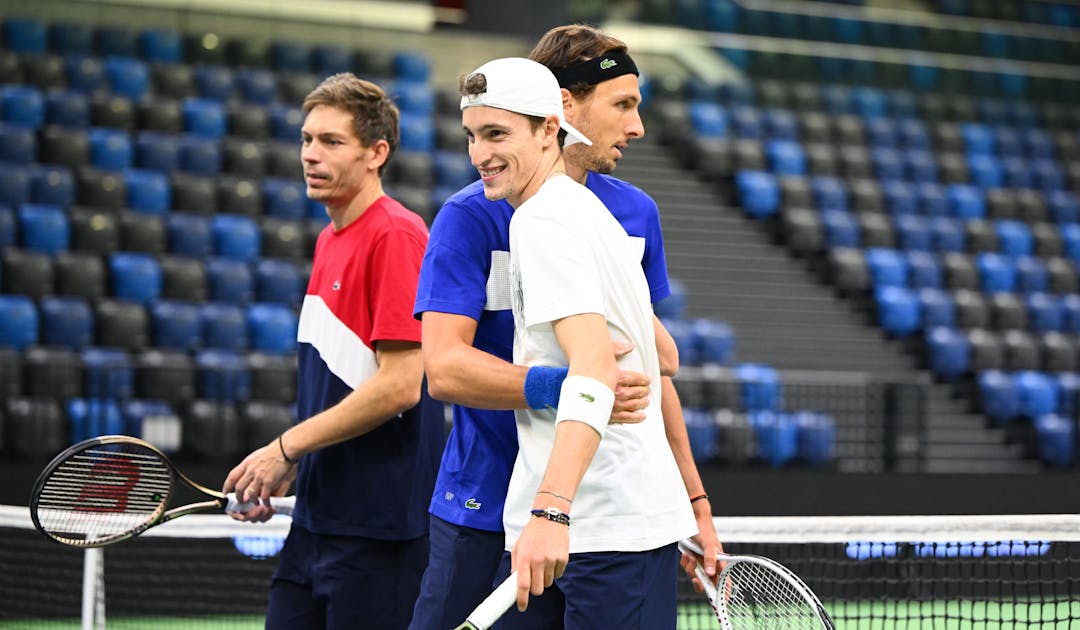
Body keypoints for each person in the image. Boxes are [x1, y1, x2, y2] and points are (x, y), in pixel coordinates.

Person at [410, 25, 720, 630]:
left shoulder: (553, 217)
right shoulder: (546, 213)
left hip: (587, 517)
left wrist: (552, 509)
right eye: (474, 136)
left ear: (551, 126)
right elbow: (649, 357)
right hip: (514, 508)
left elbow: (632, 364)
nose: (478, 155)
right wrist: (574, 379)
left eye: (496, 134)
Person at [222, 72, 443, 630]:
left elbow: (399, 386)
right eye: (306, 139)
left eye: (331, 141)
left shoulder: (396, 234)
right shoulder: (329, 238)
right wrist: (295, 467)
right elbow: (344, 380)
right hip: (316, 521)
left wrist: (286, 448)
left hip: (378, 532)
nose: (310, 155)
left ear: (377, 153)